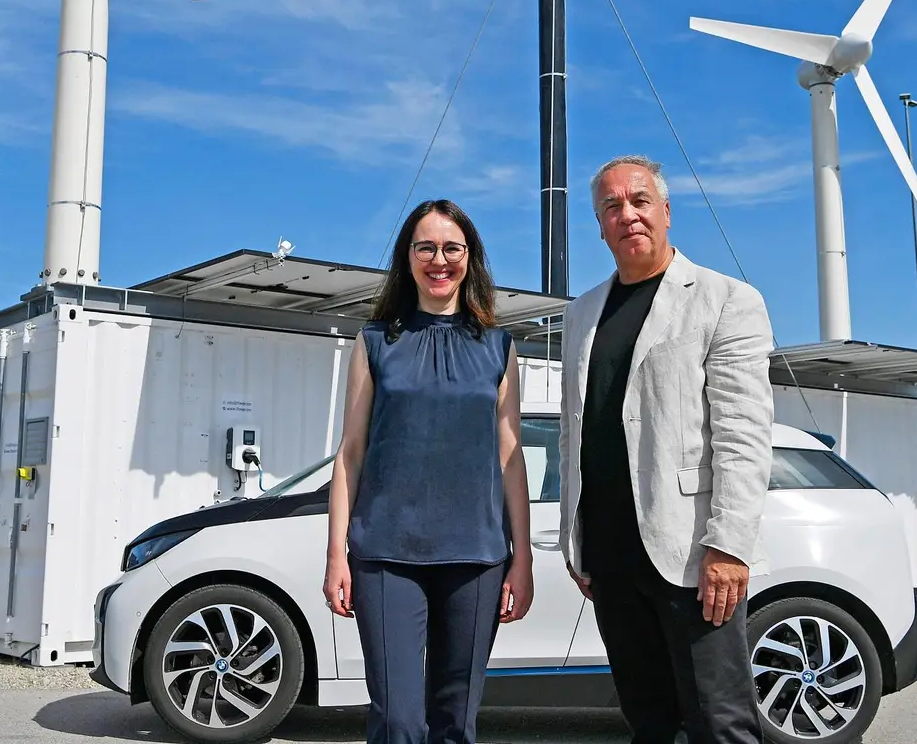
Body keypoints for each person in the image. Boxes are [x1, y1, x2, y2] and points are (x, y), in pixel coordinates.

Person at [557, 156, 776, 744]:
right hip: (609, 556)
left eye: (639, 201)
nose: (626, 214)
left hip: (690, 555)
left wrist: (728, 545)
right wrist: (576, 541)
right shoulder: (580, 314)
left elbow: (743, 434)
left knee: (719, 722)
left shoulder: (726, 300)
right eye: (611, 207)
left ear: (666, 211)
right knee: (649, 721)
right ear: (599, 225)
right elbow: (574, 428)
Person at [323, 199, 535, 744]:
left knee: (455, 722)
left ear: (470, 258)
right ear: (408, 257)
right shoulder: (374, 343)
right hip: (386, 554)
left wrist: (523, 558)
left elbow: (511, 456)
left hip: (478, 557)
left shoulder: (498, 348)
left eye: (452, 248)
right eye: (426, 247)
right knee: (397, 721)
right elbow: (350, 453)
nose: (439, 260)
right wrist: (336, 555)